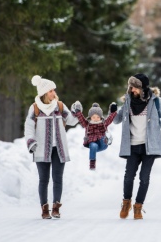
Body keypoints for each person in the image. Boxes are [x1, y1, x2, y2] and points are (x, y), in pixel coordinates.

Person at [113, 73, 161, 220]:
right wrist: (112, 112)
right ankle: (126, 203)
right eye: (131, 87)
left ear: (143, 88)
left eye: (135, 88)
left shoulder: (155, 102)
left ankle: (138, 206)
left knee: (144, 178)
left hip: (148, 147)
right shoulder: (128, 101)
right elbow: (116, 120)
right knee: (128, 177)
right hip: (132, 146)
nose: (132, 90)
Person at [24, 75, 79, 219]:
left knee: (58, 178)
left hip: (58, 149)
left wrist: (77, 111)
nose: (53, 93)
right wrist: (31, 142)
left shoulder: (59, 106)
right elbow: (29, 126)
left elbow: (71, 121)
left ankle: (56, 208)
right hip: (41, 149)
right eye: (50, 91)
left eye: (53, 90)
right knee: (43, 180)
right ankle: (44, 209)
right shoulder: (35, 108)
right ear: (43, 93)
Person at [71, 101, 118, 170]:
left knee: (103, 138)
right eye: (94, 117)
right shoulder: (87, 124)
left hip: (103, 144)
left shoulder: (103, 123)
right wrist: (78, 111)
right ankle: (92, 163)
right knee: (94, 145)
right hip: (92, 144)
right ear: (90, 117)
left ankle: (107, 140)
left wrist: (113, 111)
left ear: (100, 117)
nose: (96, 119)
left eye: (98, 117)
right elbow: (81, 119)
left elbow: (110, 118)